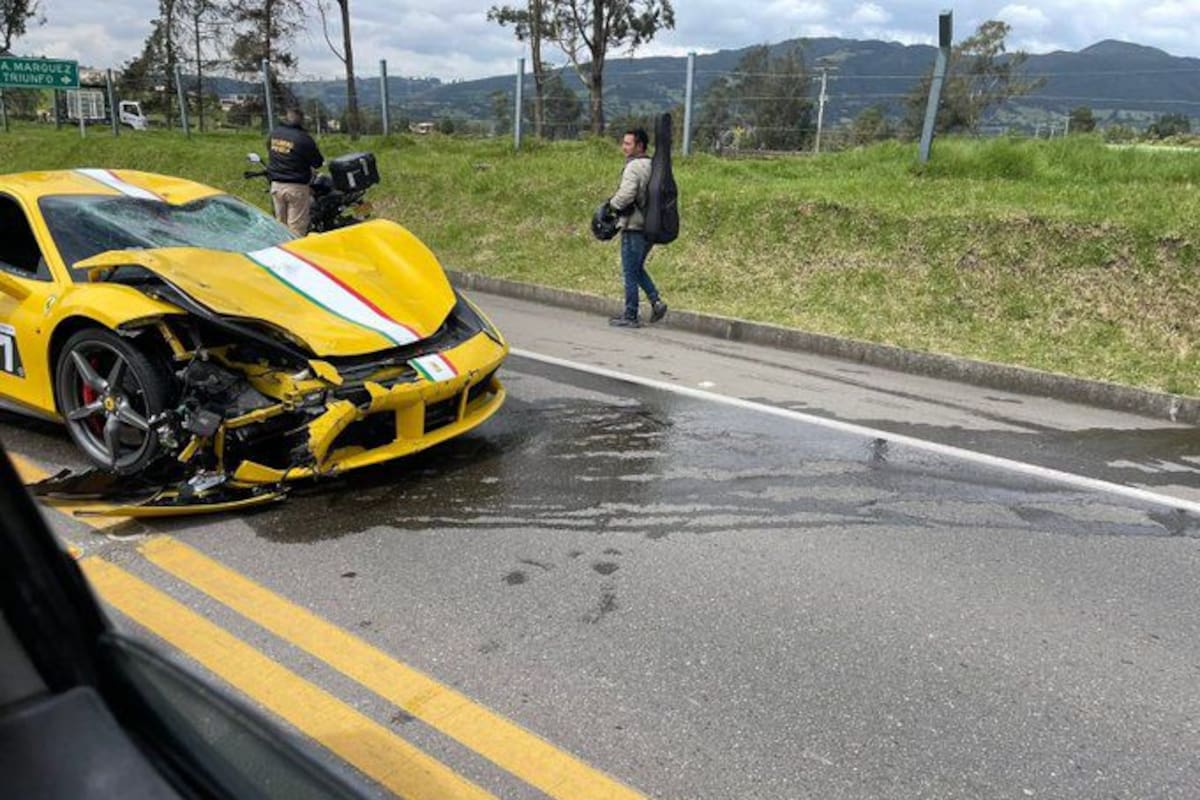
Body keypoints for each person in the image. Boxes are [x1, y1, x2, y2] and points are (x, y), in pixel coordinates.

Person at [606, 127, 667, 328]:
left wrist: (610, 206)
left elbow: (626, 195)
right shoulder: (653, 165)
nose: (624, 147)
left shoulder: (633, 167)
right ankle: (656, 302)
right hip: (652, 226)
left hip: (633, 226)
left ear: (639, 145)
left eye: (628, 143)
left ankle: (631, 314)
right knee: (637, 267)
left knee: (629, 272)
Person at [266, 107, 324, 237]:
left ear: (286, 117)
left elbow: (269, 149)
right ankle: (294, 254)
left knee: (280, 226)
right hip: (295, 187)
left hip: (276, 186)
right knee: (296, 228)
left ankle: (280, 252)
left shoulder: (274, 134)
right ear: (301, 120)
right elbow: (318, 162)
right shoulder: (303, 138)